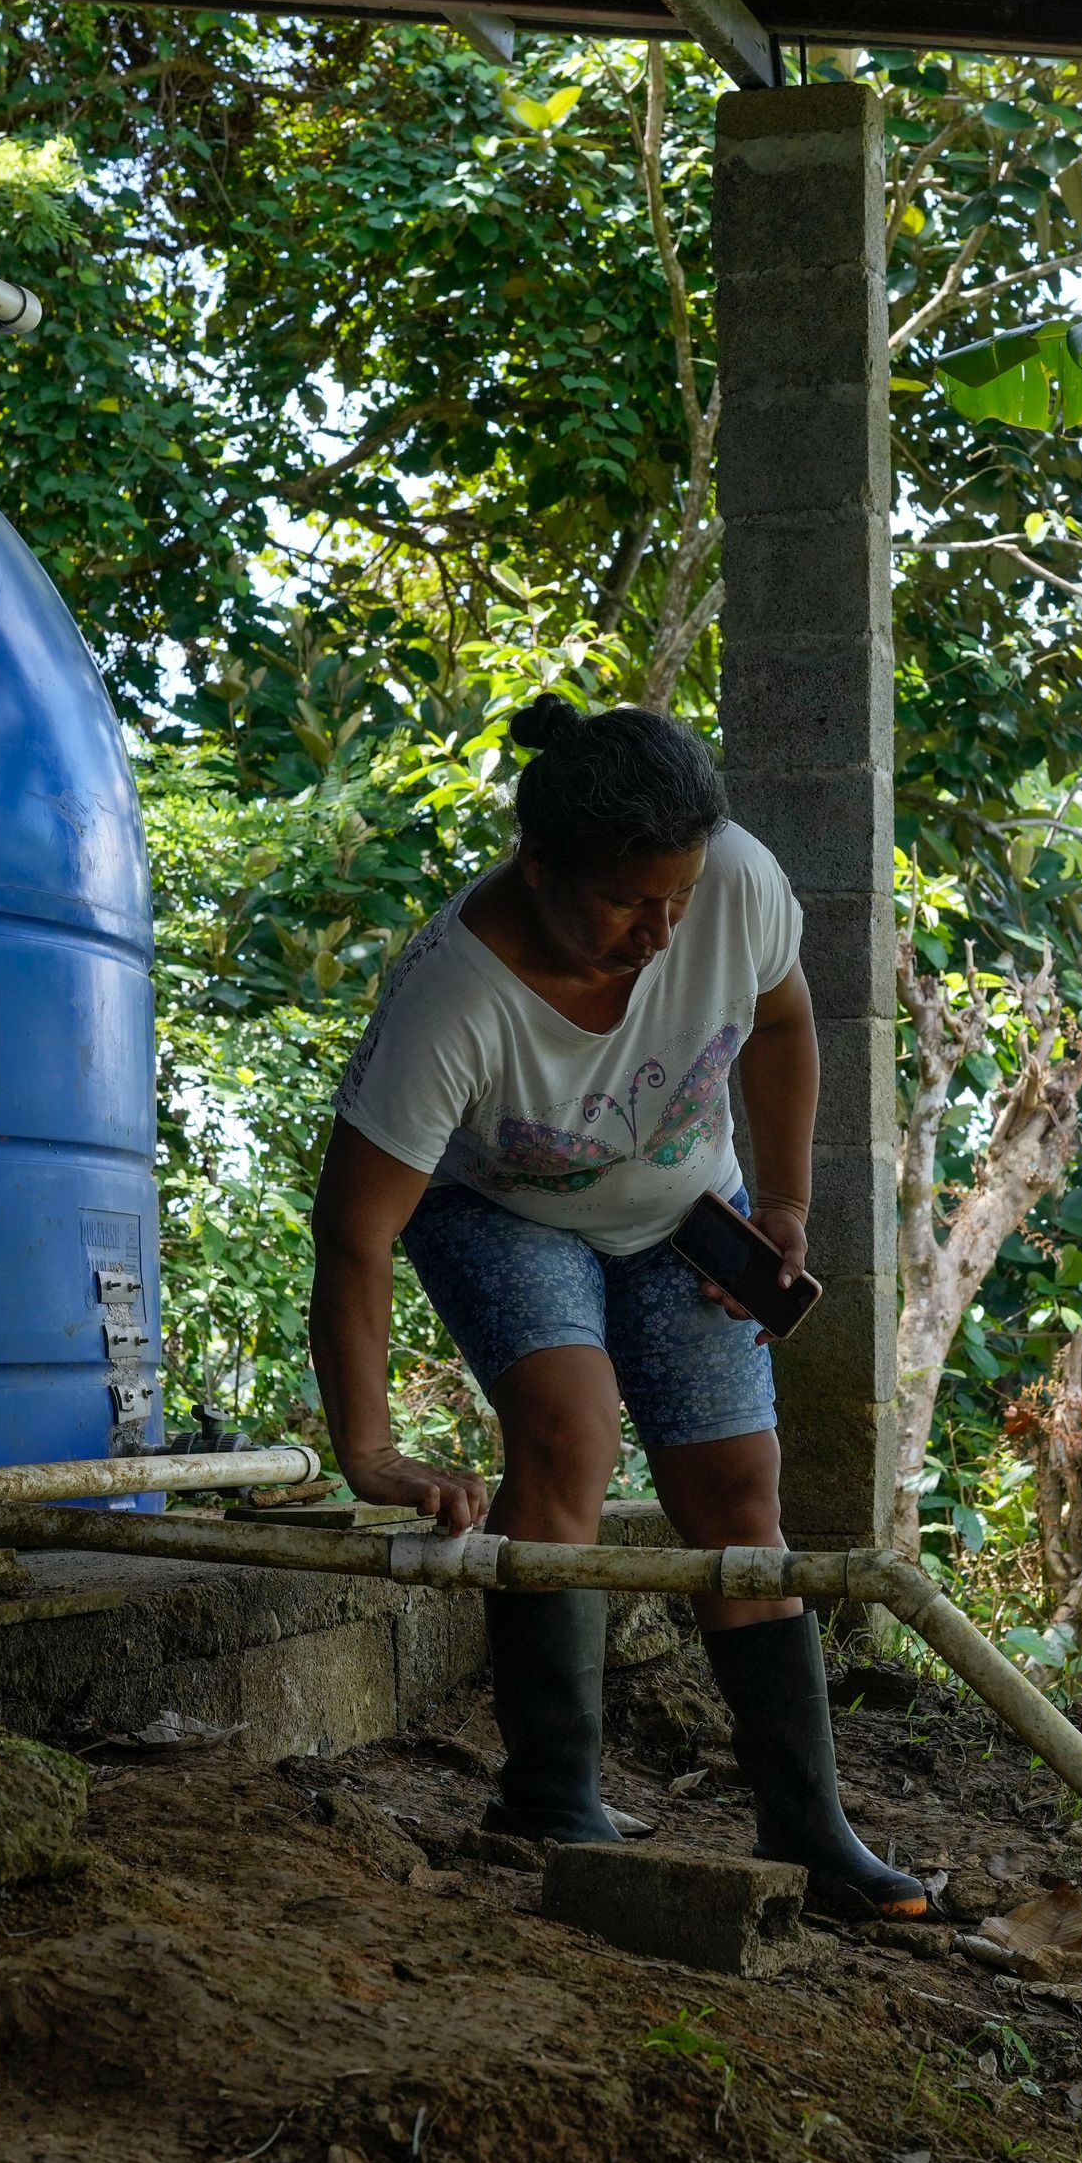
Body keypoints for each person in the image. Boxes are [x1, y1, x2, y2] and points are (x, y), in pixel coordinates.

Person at [310, 693, 933, 1921]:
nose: (660, 932)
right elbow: (356, 1228)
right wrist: (367, 1448)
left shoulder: (737, 882)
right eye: (625, 902)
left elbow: (784, 1020)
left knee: (737, 1494)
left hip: (687, 1206)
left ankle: (809, 1827)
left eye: (679, 900)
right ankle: (550, 1798)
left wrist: (789, 1205)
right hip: (501, 1209)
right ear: (537, 863)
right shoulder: (454, 995)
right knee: (568, 1430)